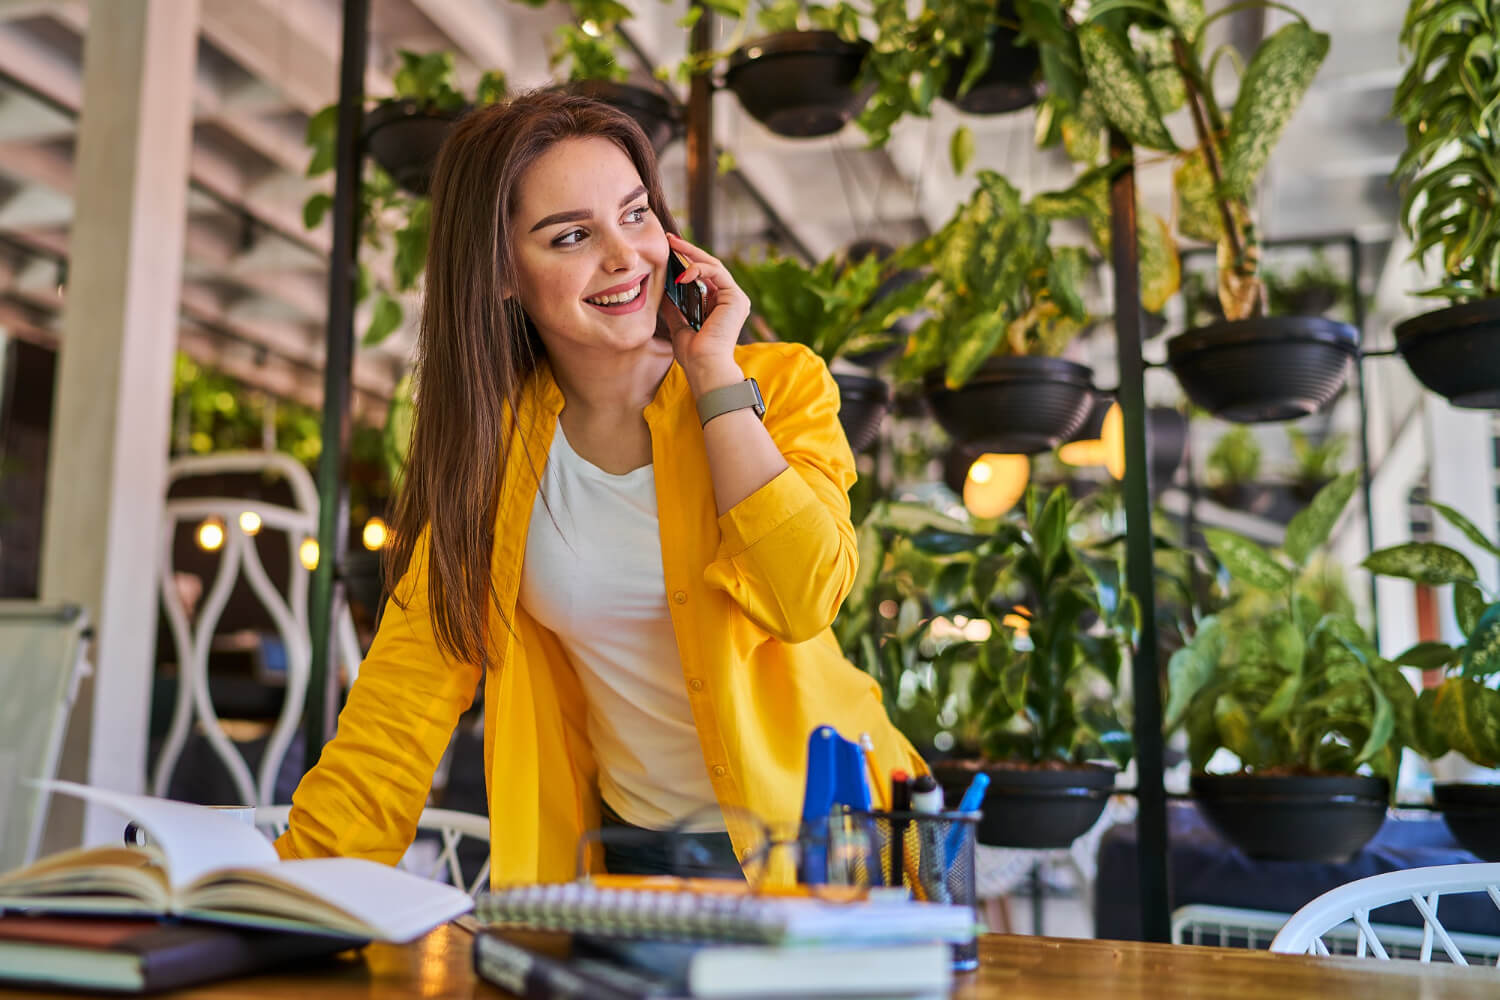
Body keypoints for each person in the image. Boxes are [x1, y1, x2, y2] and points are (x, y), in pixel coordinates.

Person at [273, 89, 924, 885]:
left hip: (833, 853)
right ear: (502, 273)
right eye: (572, 235)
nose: (625, 256)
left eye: (637, 215)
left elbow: (802, 598)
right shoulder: (492, 454)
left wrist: (715, 375)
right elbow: (399, 709)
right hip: (634, 862)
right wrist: (286, 900)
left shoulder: (780, 387)